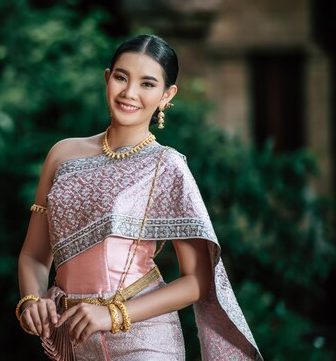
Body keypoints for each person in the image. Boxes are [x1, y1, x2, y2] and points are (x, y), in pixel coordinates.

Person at [16, 34, 262, 360]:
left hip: (143, 338)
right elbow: (34, 256)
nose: (129, 93)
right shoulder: (62, 155)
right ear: (107, 78)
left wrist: (112, 314)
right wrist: (31, 300)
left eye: (147, 84)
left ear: (167, 95)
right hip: (71, 336)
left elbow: (197, 280)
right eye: (121, 77)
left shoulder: (167, 166)